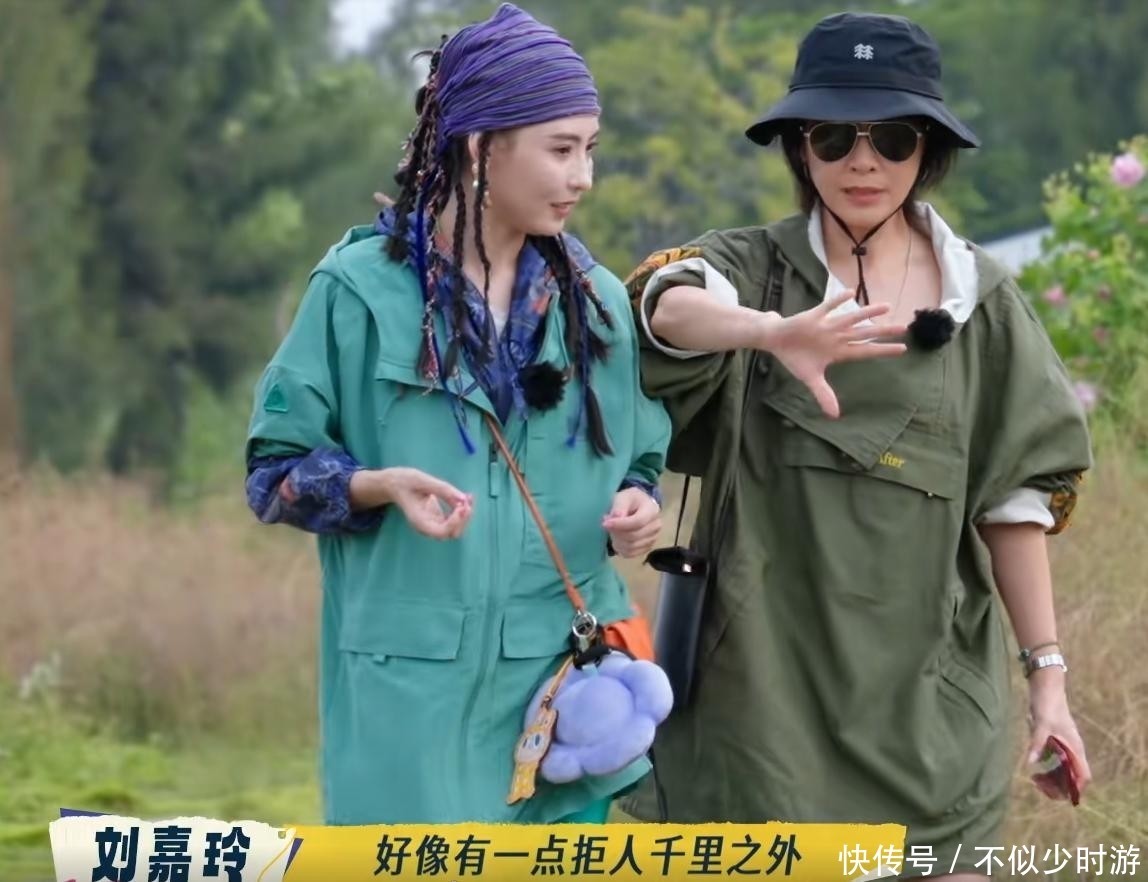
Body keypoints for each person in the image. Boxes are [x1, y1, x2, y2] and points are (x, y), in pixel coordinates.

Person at [619, 12, 1093, 880]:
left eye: (893, 139)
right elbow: (660, 305)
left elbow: (1014, 503)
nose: (862, 163)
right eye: (834, 137)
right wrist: (771, 331)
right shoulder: (749, 269)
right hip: (758, 698)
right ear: (801, 149)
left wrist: (1048, 681)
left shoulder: (983, 304)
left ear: (928, 149)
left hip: (928, 703)